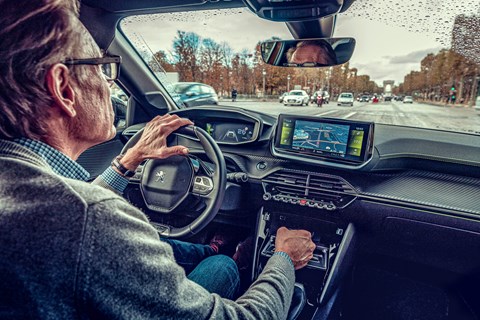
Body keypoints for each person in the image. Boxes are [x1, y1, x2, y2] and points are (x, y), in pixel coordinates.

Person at [0, 1, 316, 319]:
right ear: (64, 89)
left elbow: (72, 225)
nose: (109, 83)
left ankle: (217, 249)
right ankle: (228, 257)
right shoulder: (91, 218)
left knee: (188, 250)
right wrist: (284, 258)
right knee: (223, 268)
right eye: (101, 67)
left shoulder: (31, 194)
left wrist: (126, 163)